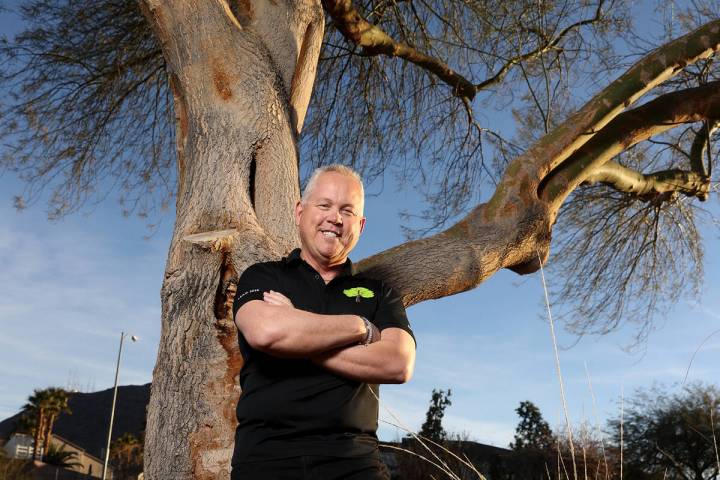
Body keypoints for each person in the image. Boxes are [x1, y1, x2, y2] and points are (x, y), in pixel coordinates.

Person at [231, 164, 416, 480]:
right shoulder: (263, 276)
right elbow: (267, 333)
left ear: (360, 225)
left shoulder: (380, 294)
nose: (336, 218)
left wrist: (296, 331)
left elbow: (397, 364)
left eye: (347, 210)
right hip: (264, 460)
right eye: (325, 205)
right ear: (300, 212)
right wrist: (359, 328)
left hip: (355, 464)